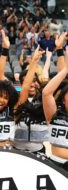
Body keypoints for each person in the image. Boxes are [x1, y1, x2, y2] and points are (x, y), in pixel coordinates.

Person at [42, 39, 68, 171]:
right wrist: (66, 69)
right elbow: (46, 92)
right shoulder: (54, 114)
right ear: (63, 99)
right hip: (56, 166)